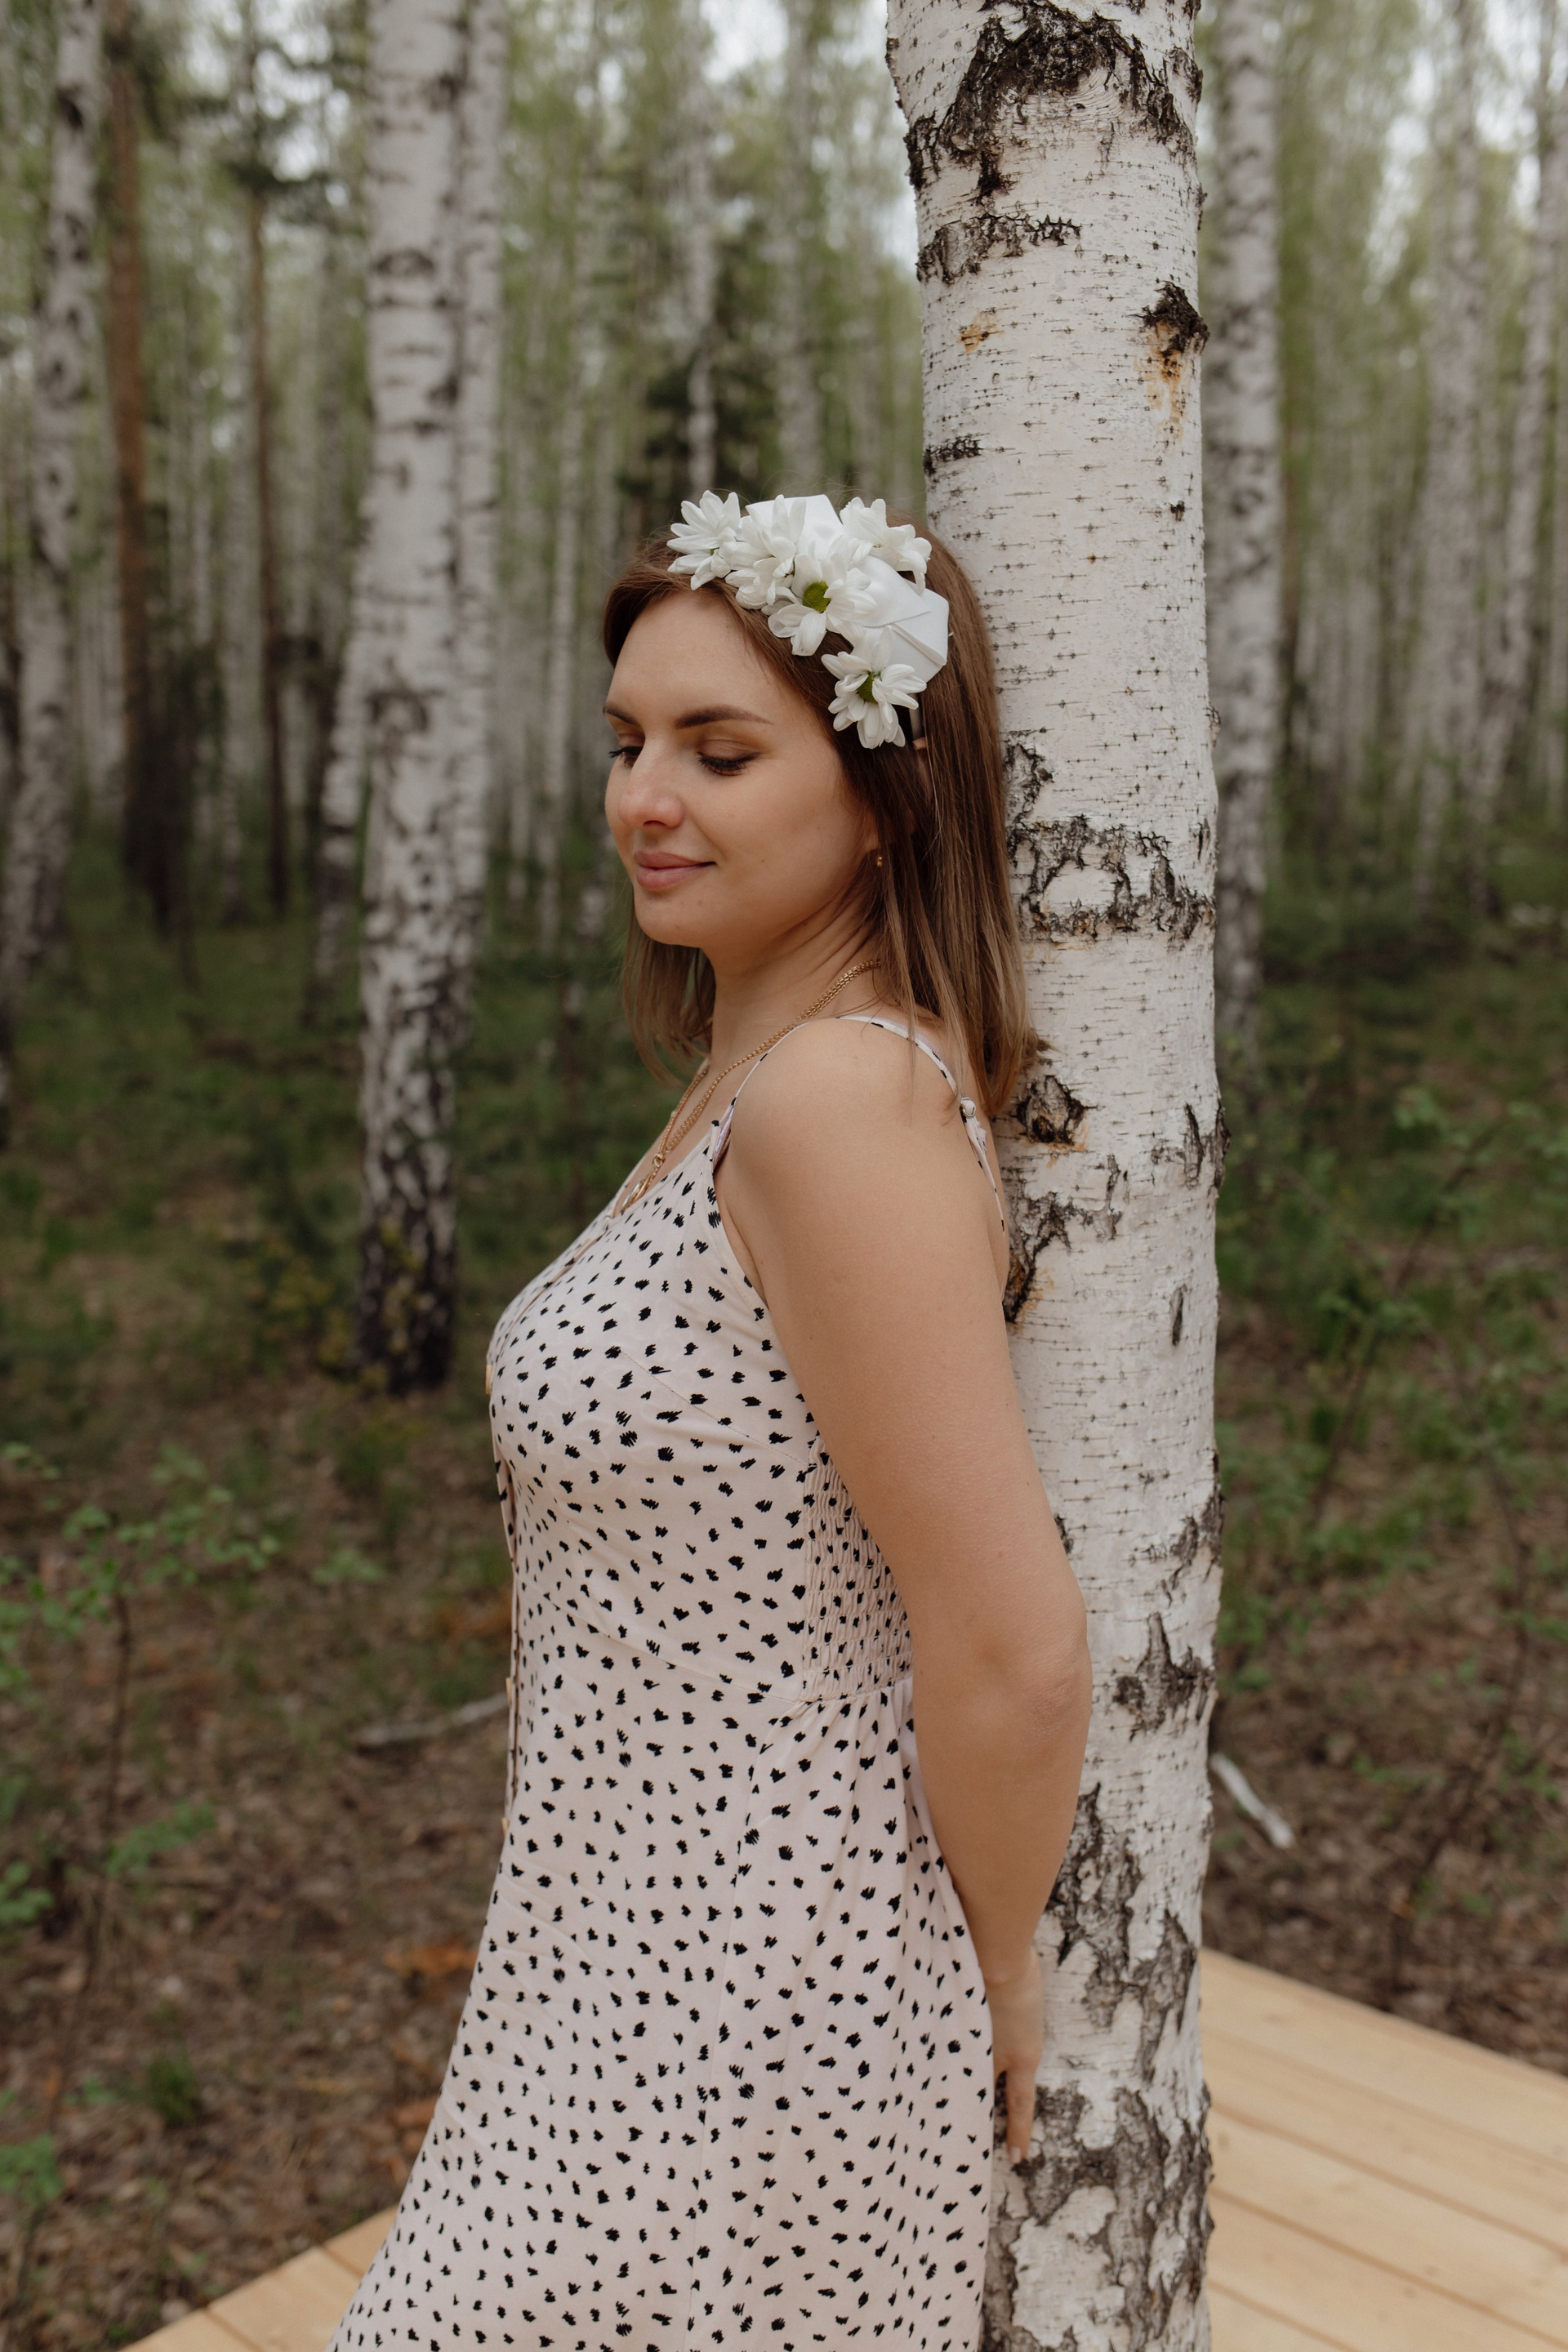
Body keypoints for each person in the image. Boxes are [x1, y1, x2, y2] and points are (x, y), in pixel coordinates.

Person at [330, 495, 1091, 2352]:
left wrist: (999, 1976)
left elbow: (1010, 1641)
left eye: (720, 752)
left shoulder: (837, 1104)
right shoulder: (750, 1089)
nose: (644, 799)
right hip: (606, 1967)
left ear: (886, 796)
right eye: (628, 744)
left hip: (752, 2011)